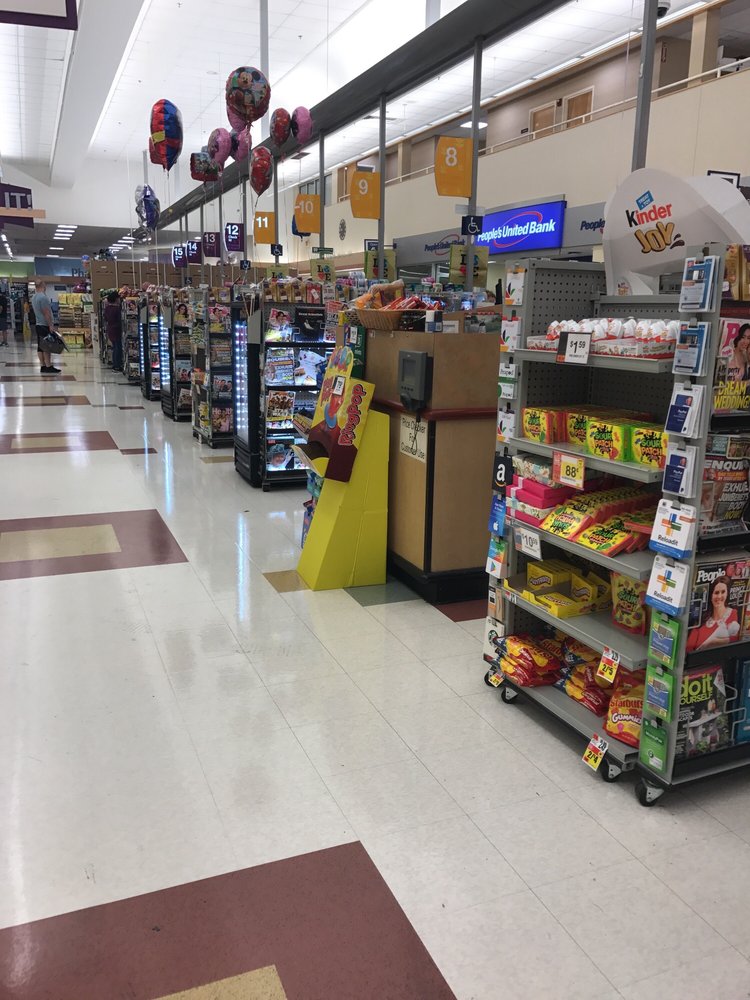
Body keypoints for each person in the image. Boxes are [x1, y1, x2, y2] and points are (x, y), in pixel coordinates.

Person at [686, 575, 741, 651]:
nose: (719, 596)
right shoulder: (701, 622)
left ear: (727, 593)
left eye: (723, 592)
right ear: (711, 596)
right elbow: (688, 649)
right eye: (716, 593)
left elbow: (733, 642)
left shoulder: (733, 614)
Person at [30, 281, 60, 375]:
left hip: (38, 324)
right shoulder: (43, 297)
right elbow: (46, 312)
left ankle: (43, 366)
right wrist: (51, 325)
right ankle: (48, 366)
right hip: (44, 325)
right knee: (47, 346)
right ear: (43, 285)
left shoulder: (34, 297)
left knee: (40, 346)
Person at [103, 290, 123, 371]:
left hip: (110, 329)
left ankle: (115, 365)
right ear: (116, 299)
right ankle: (117, 365)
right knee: (118, 348)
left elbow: (105, 318)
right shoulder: (117, 309)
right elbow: (119, 320)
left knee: (115, 347)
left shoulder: (107, 308)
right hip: (117, 330)